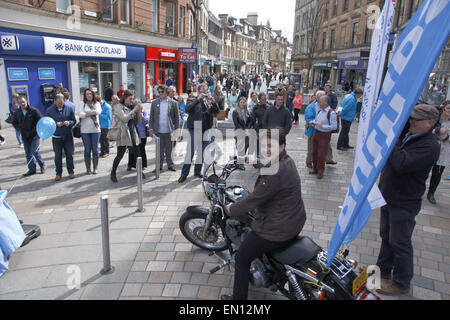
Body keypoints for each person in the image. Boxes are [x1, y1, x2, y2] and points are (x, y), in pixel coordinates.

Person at [221, 129, 307, 300]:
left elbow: (254, 199)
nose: (267, 149)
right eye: (264, 146)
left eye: (271, 145)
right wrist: (251, 160)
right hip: (294, 220)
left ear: (282, 145)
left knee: (242, 258)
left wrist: (232, 208)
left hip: (277, 229)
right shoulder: (286, 161)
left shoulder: (274, 173)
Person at [376, 104, 441, 296]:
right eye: (411, 117)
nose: (411, 121)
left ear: (430, 123)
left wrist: (391, 141)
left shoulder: (429, 146)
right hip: (390, 195)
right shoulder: (413, 134)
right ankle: (383, 268)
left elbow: (402, 164)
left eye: (417, 119)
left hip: (404, 200)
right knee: (386, 235)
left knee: (400, 242)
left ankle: (401, 282)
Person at [178, 83, 219, 183]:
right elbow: (187, 109)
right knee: (190, 152)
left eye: (206, 89)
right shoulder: (192, 99)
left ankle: (197, 171)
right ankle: (184, 174)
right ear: (199, 90)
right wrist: (198, 99)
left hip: (206, 130)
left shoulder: (208, 101)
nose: (205, 91)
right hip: (194, 129)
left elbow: (216, 111)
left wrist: (213, 102)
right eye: (203, 89)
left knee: (201, 152)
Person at [110, 91, 143, 183]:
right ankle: (113, 173)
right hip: (123, 133)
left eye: (133, 99)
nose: (132, 101)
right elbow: (124, 118)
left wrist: (139, 112)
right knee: (120, 154)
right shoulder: (118, 107)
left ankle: (140, 172)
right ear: (125, 98)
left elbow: (138, 121)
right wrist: (133, 111)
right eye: (130, 99)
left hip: (132, 131)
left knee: (137, 153)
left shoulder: (132, 107)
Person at [149, 85, 180, 172]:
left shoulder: (173, 103)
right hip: (158, 130)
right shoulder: (154, 103)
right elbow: (151, 117)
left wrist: (177, 130)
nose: (160, 94)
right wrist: (150, 129)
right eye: (159, 92)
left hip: (169, 131)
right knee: (159, 150)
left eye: (162, 92)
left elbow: (177, 118)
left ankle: (170, 165)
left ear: (166, 92)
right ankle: (159, 166)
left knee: (169, 149)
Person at [46, 93, 76, 181]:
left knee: (69, 155)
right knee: (58, 156)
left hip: (67, 135)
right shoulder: (50, 110)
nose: (60, 102)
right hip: (56, 136)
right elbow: (47, 122)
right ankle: (58, 173)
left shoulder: (69, 108)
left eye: (62, 100)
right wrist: (55, 124)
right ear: (55, 101)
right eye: (58, 100)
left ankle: (71, 172)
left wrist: (69, 123)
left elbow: (74, 120)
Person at [13, 96, 45, 176]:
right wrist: (19, 129)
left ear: (26, 101)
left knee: (35, 151)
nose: (22, 104)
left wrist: (37, 131)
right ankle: (32, 169)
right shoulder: (17, 112)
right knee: (28, 154)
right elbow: (14, 123)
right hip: (25, 136)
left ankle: (42, 165)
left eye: (23, 102)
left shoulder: (34, 110)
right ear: (18, 103)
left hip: (34, 135)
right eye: (20, 102)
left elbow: (41, 121)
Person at [309, 95, 337, 179]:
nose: (319, 103)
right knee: (314, 152)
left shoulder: (331, 113)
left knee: (321, 154)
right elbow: (317, 121)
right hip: (317, 133)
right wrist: (313, 122)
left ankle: (320, 171)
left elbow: (334, 126)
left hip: (324, 135)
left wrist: (323, 126)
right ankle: (315, 168)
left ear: (326, 102)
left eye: (320, 102)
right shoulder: (320, 111)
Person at [427, 101, 450, 204]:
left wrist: (446, 137)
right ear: (443, 109)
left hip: (444, 151)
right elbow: (428, 129)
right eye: (448, 108)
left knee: (438, 173)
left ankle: (431, 193)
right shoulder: (435, 118)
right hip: (430, 148)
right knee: (424, 169)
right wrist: (437, 132)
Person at [77, 89, 102, 175]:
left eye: (90, 94)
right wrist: (88, 113)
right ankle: (88, 168)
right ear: (84, 95)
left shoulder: (97, 103)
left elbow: (98, 111)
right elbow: (80, 114)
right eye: (87, 94)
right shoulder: (81, 103)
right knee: (87, 149)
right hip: (85, 130)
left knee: (95, 149)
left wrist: (87, 113)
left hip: (95, 130)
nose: (89, 95)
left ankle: (95, 168)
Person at [233, 96, 254, 171]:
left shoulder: (248, 111)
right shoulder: (235, 112)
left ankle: (240, 161)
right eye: (241, 102)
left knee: (246, 145)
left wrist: (247, 129)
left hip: (247, 132)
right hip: (239, 131)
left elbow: (251, 121)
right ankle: (240, 163)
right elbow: (236, 123)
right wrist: (243, 130)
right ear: (238, 103)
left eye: (244, 102)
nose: (242, 104)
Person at [136, 101, 150, 169]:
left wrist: (141, 116)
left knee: (142, 149)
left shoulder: (144, 112)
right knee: (134, 150)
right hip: (135, 134)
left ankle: (143, 164)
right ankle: (132, 164)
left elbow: (147, 121)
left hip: (142, 134)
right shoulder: (133, 113)